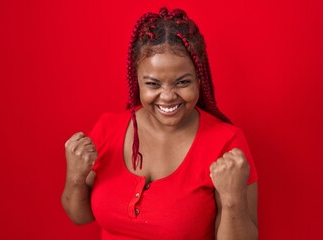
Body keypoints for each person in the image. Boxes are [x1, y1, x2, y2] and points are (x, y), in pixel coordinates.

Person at [61, 7, 258, 240]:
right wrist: (75, 175)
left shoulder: (226, 143)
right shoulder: (108, 128)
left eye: (182, 82)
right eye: (153, 84)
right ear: (137, 81)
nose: (167, 96)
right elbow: (80, 216)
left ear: (199, 78)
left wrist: (233, 198)